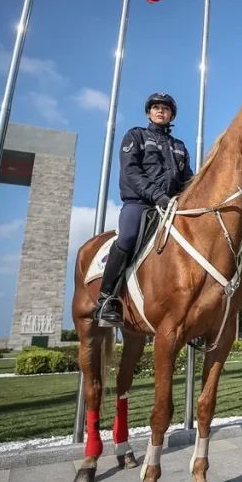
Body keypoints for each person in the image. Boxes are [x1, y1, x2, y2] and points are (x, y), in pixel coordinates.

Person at [94, 92, 194, 328]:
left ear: (171, 115)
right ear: (149, 112)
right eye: (156, 107)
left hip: (170, 207)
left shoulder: (179, 147)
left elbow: (188, 180)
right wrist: (157, 196)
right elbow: (132, 172)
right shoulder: (136, 136)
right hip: (139, 203)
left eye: (165, 108)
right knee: (127, 237)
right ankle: (107, 299)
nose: (161, 111)